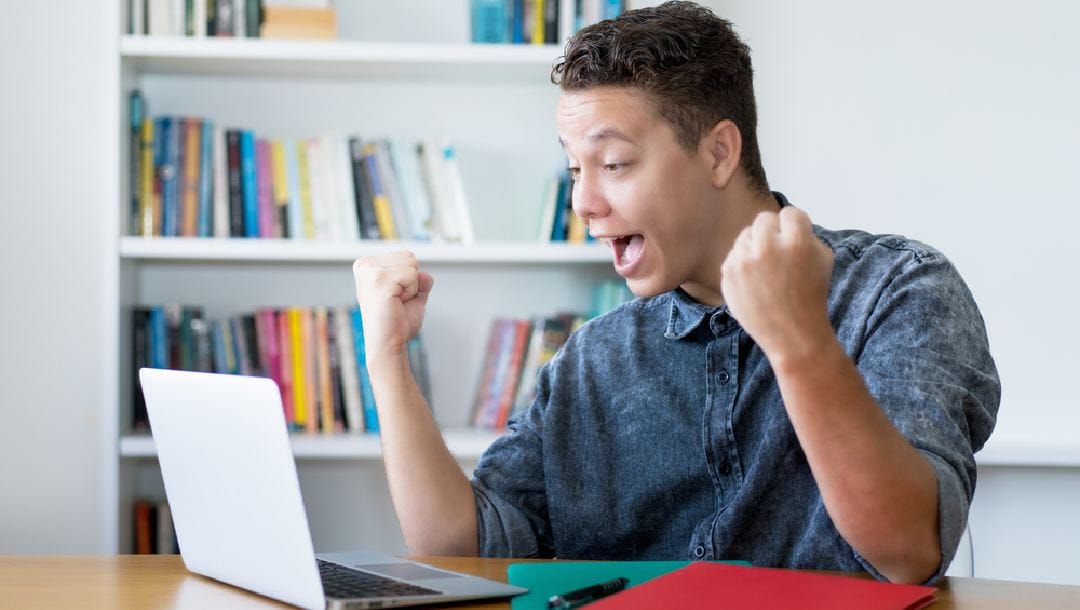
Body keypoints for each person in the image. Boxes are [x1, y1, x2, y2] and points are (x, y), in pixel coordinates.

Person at [351, 1, 999, 586]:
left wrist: (797, 338)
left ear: (719, 153)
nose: (583, 202)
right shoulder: (595, 358)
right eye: (575, 169)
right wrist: (386, 358)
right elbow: (463, 549)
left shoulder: (896, 290)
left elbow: (909, 550)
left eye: (614, 164)